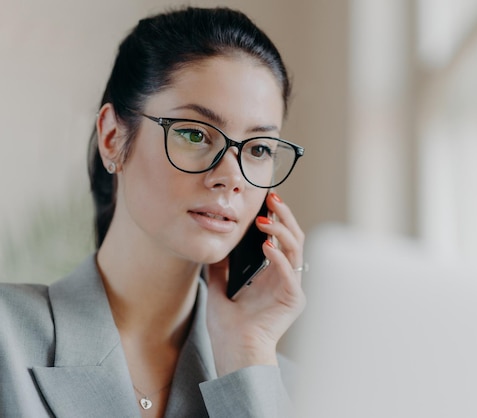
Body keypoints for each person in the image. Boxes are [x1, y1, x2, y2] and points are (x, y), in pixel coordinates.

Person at [0, 7, 306, 417]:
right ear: (112, 137)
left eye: (259, 149)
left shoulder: (282, 389)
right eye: (195, 133)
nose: (232, 176)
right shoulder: (8, 339)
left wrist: (246, 354)